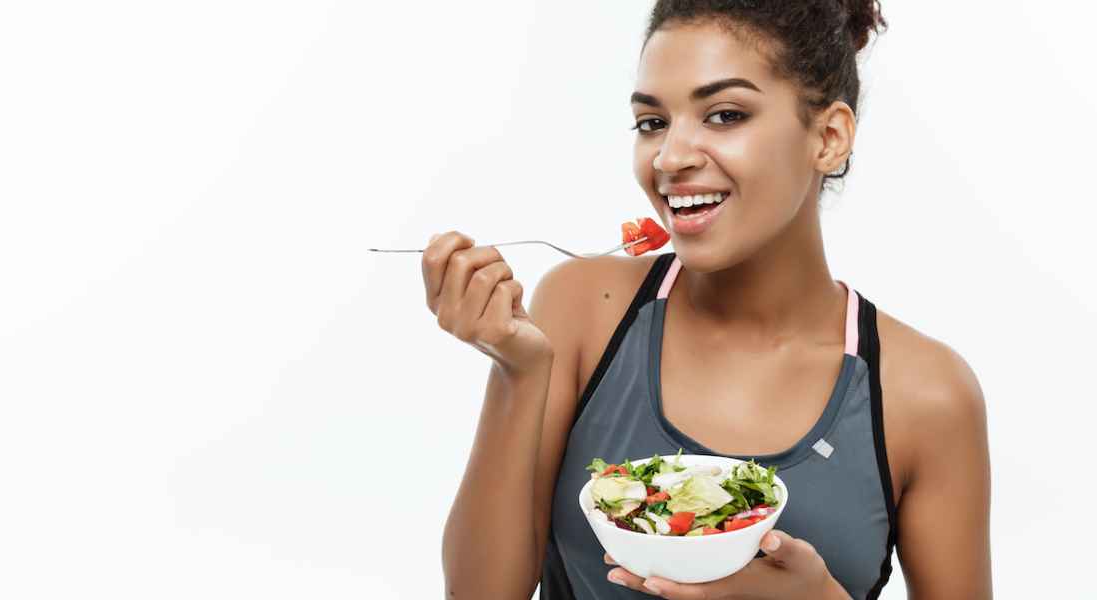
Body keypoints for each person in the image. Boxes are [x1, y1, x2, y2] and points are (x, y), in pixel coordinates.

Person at [423, 1, 991, 598]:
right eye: (652, 123)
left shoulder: (926, 395)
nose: (670, 158)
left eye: (724, 115)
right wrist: (518, 371)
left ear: (828, 137)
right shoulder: (581, 309)